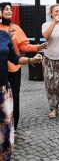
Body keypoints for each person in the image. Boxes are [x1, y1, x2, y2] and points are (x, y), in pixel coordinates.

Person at [0, 2, 47, 130]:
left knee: (14, 97)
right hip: (1, 71)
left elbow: (24, 46)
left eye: (10, 9)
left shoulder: (16, 28)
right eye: (6, 9)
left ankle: (13, 126)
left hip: (14, 69)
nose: (9, 12)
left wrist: (38, 47)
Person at [0, 28, 42, 160]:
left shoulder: (4, 36)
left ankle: (4, 156)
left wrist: (32, 60)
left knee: (6, 126)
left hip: (3, 88)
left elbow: (15, 58)